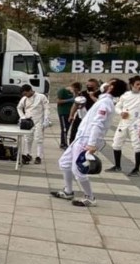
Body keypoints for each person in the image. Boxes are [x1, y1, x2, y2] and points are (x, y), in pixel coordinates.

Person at [52, 78, 128, 207]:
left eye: (109, 83)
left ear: (110, 87)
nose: (105, 84)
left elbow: (98, 124)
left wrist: (91, 144)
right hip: (81, 137)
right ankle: (68, 191)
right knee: (64, 163)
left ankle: (90, 197)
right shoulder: (103, 100)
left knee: (78, 170)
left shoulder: (105, 104)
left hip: (87, 139)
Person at [105, 75, 140, 177]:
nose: (139, 86)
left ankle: (136, 169)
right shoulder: (125, 95)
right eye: (137, 84)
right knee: (116, 143)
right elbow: (117, 107)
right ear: (131, 85)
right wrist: (121, 112)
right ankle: (117, 166)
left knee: (136, 145)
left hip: (137, 123)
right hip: (124, 122)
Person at [17, 84, 50, 164]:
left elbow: (46, 108)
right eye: (24, 94)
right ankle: (28, 154)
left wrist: (46, 118)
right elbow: (19, 107)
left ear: (30, 90)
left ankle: (39, 156)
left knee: (39, 139)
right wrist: (22, 117)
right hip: (28, 122)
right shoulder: (24, 99)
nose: (25, 95)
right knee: (27, 139)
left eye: (26, 93)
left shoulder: (41, 97)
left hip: (39, 121)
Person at [69, 78, 100, 143]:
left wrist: (92, 96)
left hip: (92, 118)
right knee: (74, 133)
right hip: (80, 116)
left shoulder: (100, 94)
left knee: (88, 135)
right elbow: (75, 105)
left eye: (91, 86)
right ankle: (72, 147)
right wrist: (71, 115)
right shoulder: (82, 93)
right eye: (88, 85)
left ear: (96, 86)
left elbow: (100, 104)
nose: (89, 87)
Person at [57, 82, 81, 149]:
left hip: (70, 113)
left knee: (67, 128)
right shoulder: (63, 91)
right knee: (64, 128)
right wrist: (69, 100)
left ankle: (65, 142)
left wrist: (75, 94)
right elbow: (58, 101)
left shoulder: (74, 93)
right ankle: (63, 143)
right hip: (63, 112)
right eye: (75, 90)